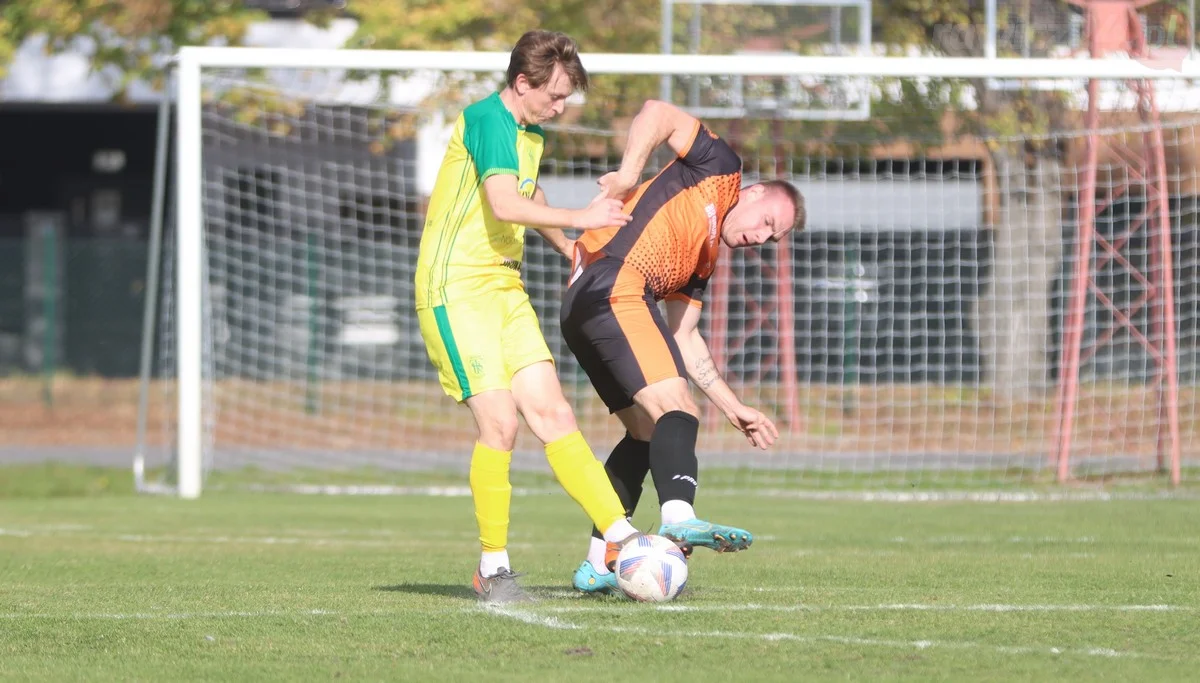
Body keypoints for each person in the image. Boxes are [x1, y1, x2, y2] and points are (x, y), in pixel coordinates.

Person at [414, 30, 644, 603]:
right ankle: (493, 566)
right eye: (557, 96)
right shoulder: (489, 118)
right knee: (501, 425)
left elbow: (526, 190)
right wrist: (584, 215)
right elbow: (502, 202)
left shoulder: (528, 132)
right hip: (455, 287)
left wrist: (567, 244)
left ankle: (623, 538)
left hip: (504, 285)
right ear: (524, 83)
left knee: (555, 413)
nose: (561, 107)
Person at [559, 99, 806, 595]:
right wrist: (628, 176)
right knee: (678, 410)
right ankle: (677, 515)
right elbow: (654, 111)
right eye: (766, 223)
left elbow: (685, 337)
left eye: (772, 238)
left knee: (647, 434)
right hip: (615, 282)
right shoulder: (722, 169)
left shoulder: (702, 258)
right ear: (754, 193)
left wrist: (735, 408)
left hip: (584, 304)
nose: (760, 238)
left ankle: (599, 562)